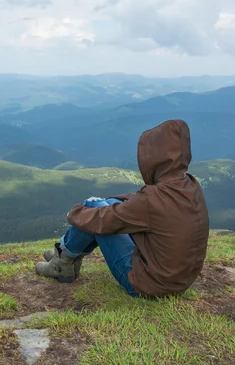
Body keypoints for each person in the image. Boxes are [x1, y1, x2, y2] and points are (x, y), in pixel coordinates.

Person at [35, 119, 210, 298]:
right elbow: (141, 205)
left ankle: (63, 261)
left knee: (94, 207)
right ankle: (66, 257)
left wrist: (75, 213)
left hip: (147, 286)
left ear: (154, 158)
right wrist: (112, 201)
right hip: (178, 282)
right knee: (106, 206)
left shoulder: (154, 198)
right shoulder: (189, 185)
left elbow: (105, 220)